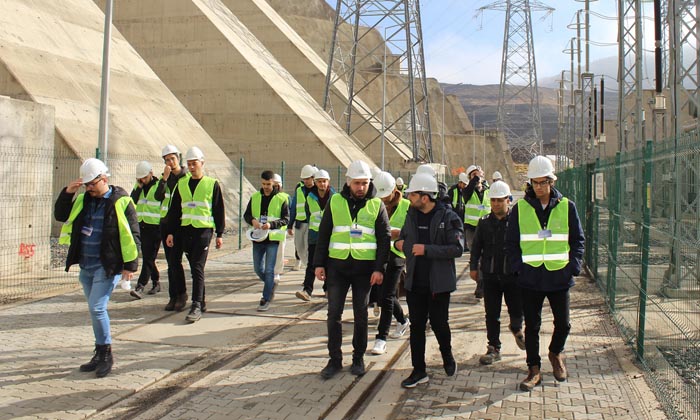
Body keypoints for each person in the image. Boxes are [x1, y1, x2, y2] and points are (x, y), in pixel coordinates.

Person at [54, 158, 140, 378]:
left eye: (92, 184)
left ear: (104, 179)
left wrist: (130, 265)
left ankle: (106, 354)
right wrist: (67, 193)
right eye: (86, 185)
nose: (89, 188)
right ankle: (98, 352)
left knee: (97, 308)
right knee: (94, 311)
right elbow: (61, 216)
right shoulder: (84, 199)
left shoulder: (121, 201)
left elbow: (133, 234)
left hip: (107, 265)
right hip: (86, 265)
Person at [505, 155, 585, 392]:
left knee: (564, 324)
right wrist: (518, 268)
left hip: (558, 275)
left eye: (543, 182)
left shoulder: (567, 206)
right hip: (530, 277)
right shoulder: (520, 209)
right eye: (535, 183)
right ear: (530, 183)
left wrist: (574, 266)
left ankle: (555, 353)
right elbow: (511, 243)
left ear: (551, 181)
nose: (539, 187)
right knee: (532, 326)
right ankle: (534, 368)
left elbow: (577, 239)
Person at [314, 160, 391, 380]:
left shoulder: (377, 205)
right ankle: (334, 360)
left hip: (364, 270)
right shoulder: (335, 201)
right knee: (333, 314)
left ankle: (358, 359)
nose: (361, 187)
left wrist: (380, 269)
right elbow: (324, 233)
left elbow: (385, 239)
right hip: (337, 267)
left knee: (360, 314)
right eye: (357, 183)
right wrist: (318, 264)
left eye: (364, 183)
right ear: (348, 182)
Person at [394, 172, 464, 388]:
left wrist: (427, 250)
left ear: (425, 197)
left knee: (440, 324)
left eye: (413, 194)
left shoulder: (448, 217)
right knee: (416, 327)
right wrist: (401, 245)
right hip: (415, 282)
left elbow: (458, 248)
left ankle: (447, 356)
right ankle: (419, 370)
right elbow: (405, 240)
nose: (409, 198)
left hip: (439, 284)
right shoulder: (411, 214)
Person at [166, 146, 225, 323]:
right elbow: (175, 210)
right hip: (186, 231)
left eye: (194, 164)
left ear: (202, 163)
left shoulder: (211, 184)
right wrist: (171, 232)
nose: (191, 167)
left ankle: (196, 305)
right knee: (193, 266)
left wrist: (220, 233)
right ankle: (202, 301)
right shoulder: (181, 184)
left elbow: (218, 209)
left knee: (197, 267)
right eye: (189, 164)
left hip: (204, 231)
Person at [469, 180, 525, 365]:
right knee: (492, 313)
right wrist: (473, 267)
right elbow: (476, 247)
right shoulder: (484, 223)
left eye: (499, 200)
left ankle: (516, 328)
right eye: (493, 201)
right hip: (491, 275)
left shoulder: (517, 222)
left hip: (512, 275)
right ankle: (494, 347)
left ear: (508, 200)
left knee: (517, 309)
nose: (495, 204)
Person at [370, 171, 410, 355]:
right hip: (379, 253)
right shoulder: (374, 203)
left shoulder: (407, 206)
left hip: (397, 254)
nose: (384, 200)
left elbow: (413, 231)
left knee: (386, 295)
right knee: (385, 293)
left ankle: (381, 338)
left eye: (387, 196)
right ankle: (402, 320)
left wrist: (398, 233)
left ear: (395, 190)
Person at [244, 170, 290, 311]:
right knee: (258, 269)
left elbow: (286, 219)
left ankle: (266, 298)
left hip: (273, 238)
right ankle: (270, 285)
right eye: (263, 184)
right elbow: (247, 215)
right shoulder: (255, 197)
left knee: (270, 270)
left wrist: (271, 224)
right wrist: (253, 220)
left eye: (268, 184)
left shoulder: (282, 198)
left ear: (274, 183)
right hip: (258, 237)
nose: (266, 187)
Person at [154, 144, 189, 312]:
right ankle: (173, 296)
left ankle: (182, 295)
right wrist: (164, 180)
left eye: (172, 159)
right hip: (166, 223)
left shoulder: (186, 177)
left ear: (178, 158)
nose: (170, 162)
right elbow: (158, 196)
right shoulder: (166, 179)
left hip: (181, 224)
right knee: (171, 263)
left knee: (176, 261)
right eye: (167, 160)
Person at [295, 169, 335, 301]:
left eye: (324, 181)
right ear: (315, 182)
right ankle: (307, 290)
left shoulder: (335, 198)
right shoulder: (310, 197)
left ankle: (328, 289)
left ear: (328, 182)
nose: (322, 184)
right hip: (314, 235)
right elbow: (308, 214)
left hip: (330, 236)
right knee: (312, 264)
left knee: (329, 264)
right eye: (319, 182)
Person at [130, 161, 161, 299]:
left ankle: (140, 286)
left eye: (144, 177)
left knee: (148, 257)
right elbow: (132, 201)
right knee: (149, 257)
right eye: (140, 178)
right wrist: (138, 187)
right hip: (142, 225)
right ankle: (156, 282)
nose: (142, 180)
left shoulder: (159, 186)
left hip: (155, 227)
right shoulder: (140, 187)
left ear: (151, 173)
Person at [464, 164, 490, 298]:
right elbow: (467, 192)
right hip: (472, 228)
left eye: (479, 174)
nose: (477, 177)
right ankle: (480, 283)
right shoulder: (467, 191)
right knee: (475, 255)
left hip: (486, 227)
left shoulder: (488, 190)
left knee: (485, 255)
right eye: (474, 175)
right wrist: (474, 179)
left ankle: (482, 283)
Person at [288, 164, 316, 271]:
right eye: (304, 179)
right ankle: (306, 264)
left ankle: (310, 269)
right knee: (299, 247)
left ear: (313, 178)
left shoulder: (317, 190)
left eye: (308, 179)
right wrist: (290, 225)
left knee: (308, 247)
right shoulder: (299, 190)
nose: (306, 181)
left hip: (311, 223)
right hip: (300, 223)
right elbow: (294, 207)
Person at [272, 173, 289, 284]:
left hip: (279, 230)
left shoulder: (285, 197)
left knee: (279, 252)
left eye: (277, 184)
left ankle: (276, 272)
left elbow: (288, 214)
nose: (275, 186)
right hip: (265, 229)